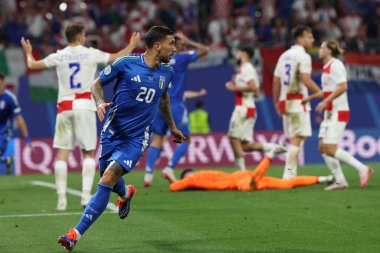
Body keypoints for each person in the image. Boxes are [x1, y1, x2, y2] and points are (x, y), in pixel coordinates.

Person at [57, 26, 185, 251]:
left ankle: (74, 234)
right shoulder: (125, 63)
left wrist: (172, 127)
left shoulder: (167, 72)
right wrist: (99, 103)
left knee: (106, 179)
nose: (174, 48)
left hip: (137, 137)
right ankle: (126, 193)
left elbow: (163, 99)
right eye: (171, 43)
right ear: (157, 45)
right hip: (112, 131)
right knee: (108, 176)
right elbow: (96, 84)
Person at [21, 24, 140, 210]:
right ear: (79, 37)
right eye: (84, 35)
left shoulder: (59, 55)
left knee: (62, 154)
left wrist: (28, 52)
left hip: (65, 107)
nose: (85, 38)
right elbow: (116, 58)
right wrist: (132, 45)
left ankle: (61, 200)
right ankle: (85, 197)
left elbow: (32, 65)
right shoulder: (90, 53)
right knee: (88, 153)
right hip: (85, 105)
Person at [302, 40, 373, 190]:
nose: (319, 50)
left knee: (329, 147)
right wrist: (311, 97)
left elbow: (343, 87)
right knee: (322, 147)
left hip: (338, 112)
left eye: (322, 47)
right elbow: (328, 91)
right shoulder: (326, 67)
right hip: (329, 112)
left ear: (329, 50)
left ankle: (362, 168)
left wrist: (323, 102)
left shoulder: (336, 65)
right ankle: (340, 180)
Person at [143, 32, 210, 186]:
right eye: (179, 43)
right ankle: (169, 167)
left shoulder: (158, 60)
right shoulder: (182, 57)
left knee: (158, 139)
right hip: (175, 105)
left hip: (158, 104)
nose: (182, 45)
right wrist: (189, 41)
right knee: (186, 138)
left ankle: (148, 174)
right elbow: (205, 49)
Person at [226, 46, 286, 171]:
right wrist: (237, 85)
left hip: (243, 108)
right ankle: (274, 147)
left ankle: (241, 173)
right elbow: (257, 93)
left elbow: (254, 88)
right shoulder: (245, 69)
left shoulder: (247, 68)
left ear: (244, 53)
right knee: (245, 146)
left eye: (238, 51)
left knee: (233, 138)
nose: (236, 54)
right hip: (248, 108)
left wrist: (234, 88)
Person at [272, 26, 321, 179]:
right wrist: (321, 92)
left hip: (285, 101)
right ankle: (288, 173)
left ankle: (291, 172)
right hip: (298, 101)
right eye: (309, 37)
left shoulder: (284, 55)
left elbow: (276, 81)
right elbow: (306, 79)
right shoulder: (304, 56)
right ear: (300, 39)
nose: (312, 40)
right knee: (298, 137)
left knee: (297, 136)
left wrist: (276, 102)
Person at [169, 147, 333, 192]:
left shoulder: (191, 179)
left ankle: (269, 155)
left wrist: (177, 181)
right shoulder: (199, 177)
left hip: (240, 180)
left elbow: (174, 187)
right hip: (241, 175)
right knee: (288, 184)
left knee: (252, 183)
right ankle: (324, 178)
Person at [0, 72, 31, 174]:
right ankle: (6, 160)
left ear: (3, 82)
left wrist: (26, 137)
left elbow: (19, 118)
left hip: (4, 132)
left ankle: (6, 160)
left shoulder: (10, 98)